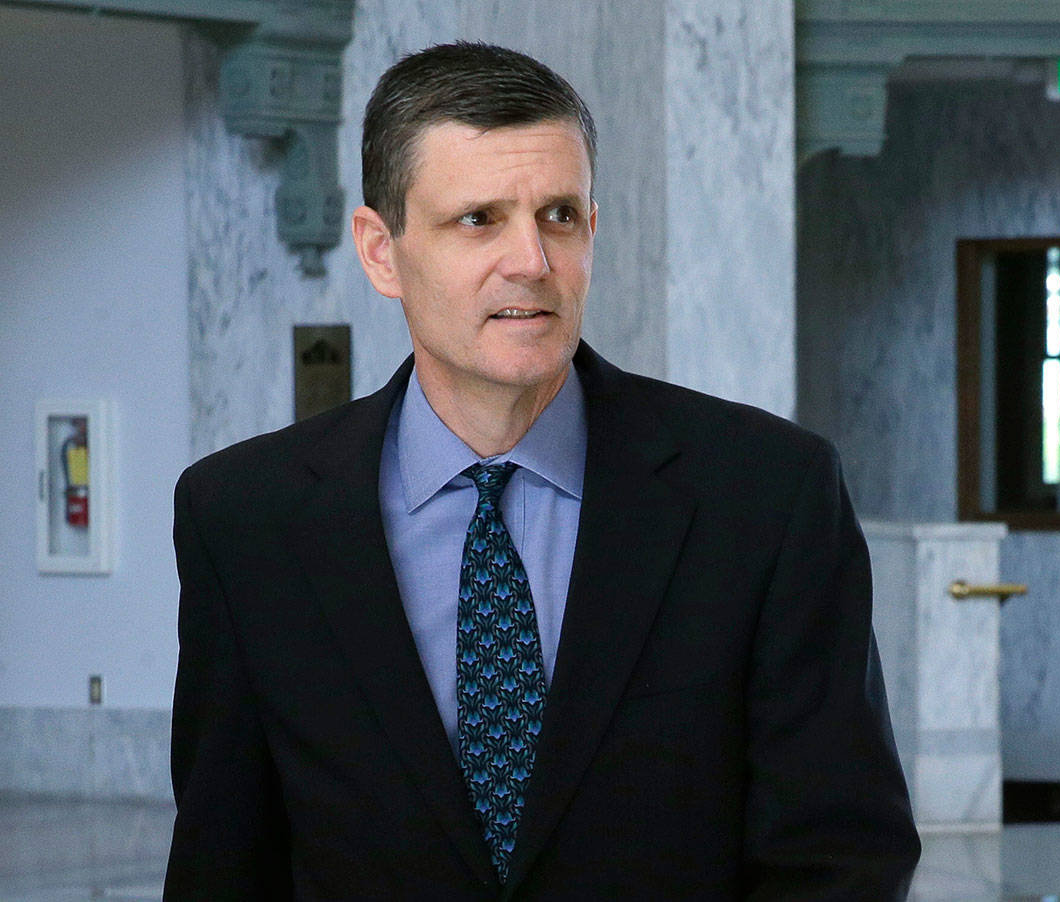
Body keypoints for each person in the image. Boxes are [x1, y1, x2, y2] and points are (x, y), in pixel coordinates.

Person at [164, 41, 920, 900]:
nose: (531, 260)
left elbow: (841, 858)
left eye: (558, 215)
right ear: (380, 251)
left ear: (592, 229)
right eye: (478, 219)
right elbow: (223, 866)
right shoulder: (245, 518)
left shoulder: (767, 494)